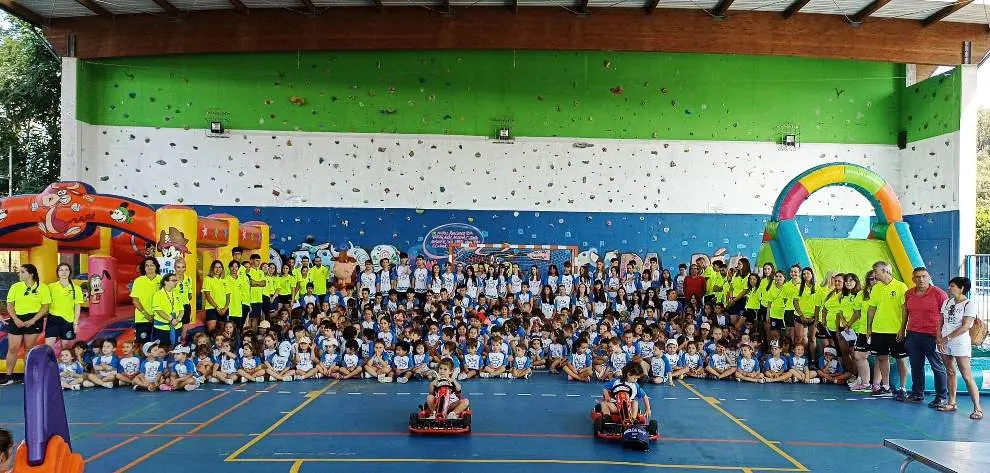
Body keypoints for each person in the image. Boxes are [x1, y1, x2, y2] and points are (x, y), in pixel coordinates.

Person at [902, 267, 950, 406]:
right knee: (916, 366)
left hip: (932, 335)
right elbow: (906, 312)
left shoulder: (939, 294)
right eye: (917, 277)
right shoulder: (909, 293)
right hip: (913, 335)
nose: (921, 279)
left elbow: (945, 316)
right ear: (913, 279)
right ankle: (917, 393)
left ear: (929, 277)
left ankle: (941, 396)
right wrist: (902, 330)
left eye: (923, 276)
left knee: (937, 366)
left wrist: (941, 336)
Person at [937, 277, 982, 420]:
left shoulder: (969, 304)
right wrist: (939, 336)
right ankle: (951, 402)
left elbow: (965, 326)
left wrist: (946, 338)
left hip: (959, 342)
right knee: (950, 371)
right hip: (944, 341)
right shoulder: (947, 302)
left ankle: (977, 408)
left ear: (962, 288)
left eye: (953, 286)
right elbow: (941, 321)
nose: (950, 288)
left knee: (966, 375)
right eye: (950, 285)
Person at [865, 261, 908, 399]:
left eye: (876, 271)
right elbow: (872, 308)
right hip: (879, 329)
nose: (874, 274)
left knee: (900, 359)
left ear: (884, 271)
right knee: (882, 357)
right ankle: (886, 386)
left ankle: (902, 388)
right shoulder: (876, 288)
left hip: (895, 330)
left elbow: (904, 309)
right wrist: (869, 328)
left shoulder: (901, 286)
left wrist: (902, 328)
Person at [3, 264, 51, 386]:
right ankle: (9, 376)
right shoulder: (15, 287)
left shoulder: (43, 288)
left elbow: (45, 307)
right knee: (12, 348)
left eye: (22, 272)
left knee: (29, 349)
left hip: (34, 318)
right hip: (17, 318)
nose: (19, 274)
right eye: (20, 272)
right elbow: (9, 305)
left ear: (31, 274)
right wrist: (15, 319)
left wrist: (33, 320)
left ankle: (27, 376)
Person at [46, 263, 84, 349]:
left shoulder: (76, 289)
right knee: (48, 347)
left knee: (66, 346)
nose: (64, 272)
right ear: (57, 272)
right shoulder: (51, 286)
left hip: (68, 321)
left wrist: (75, 324)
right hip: (53, 319)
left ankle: (64, 362)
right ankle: (51, 362)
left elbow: (77, 308)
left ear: (70, 272)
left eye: (66, 270)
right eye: (61, 270)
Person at [131, 258, 162, 345]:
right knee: (143, 343)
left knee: (159, 343)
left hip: (160, 317)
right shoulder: (138, 281)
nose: (149, 267)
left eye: (152, 265)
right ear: (144, 268)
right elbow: (135, 300)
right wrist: (147, 315)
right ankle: (144, 359)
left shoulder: (162, 280)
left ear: (156, 267)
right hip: (142, 318)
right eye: (147, 265)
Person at [152, 274, 184, 346]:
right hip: (162, 328)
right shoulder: (158, 294)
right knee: (162, 350)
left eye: (176, 280)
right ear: (165, 282)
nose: (176, 282)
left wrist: (178, 319)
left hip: (177, 326)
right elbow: (158, 310)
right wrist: (171, 320)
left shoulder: (177, 294)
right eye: (173, 280)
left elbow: (182, 310)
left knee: (176, 349)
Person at [202, 260, 230, 335]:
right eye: (216, 267)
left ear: (222, 269)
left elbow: (228, 296)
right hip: (212, 308)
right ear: (212, 268)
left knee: (222, 332)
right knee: (212, 332)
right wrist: (216, 307)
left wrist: (225, 308)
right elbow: (207, 295)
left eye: (220, 267)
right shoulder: (207, 279)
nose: (218, 269)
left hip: (223, 309)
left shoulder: (225, 280)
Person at [173, 258, 194, 344]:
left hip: (185, 306)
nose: (180, 270)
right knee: (174, 326)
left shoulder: (188, 279)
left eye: (183, 267)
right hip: (174, 307)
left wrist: (184, 300)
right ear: (174, 267)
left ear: (185, 268)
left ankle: (182, 343)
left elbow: (190, 294)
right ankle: (173, 344)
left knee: (185, 326)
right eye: (178, 267)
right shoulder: (170, 278)